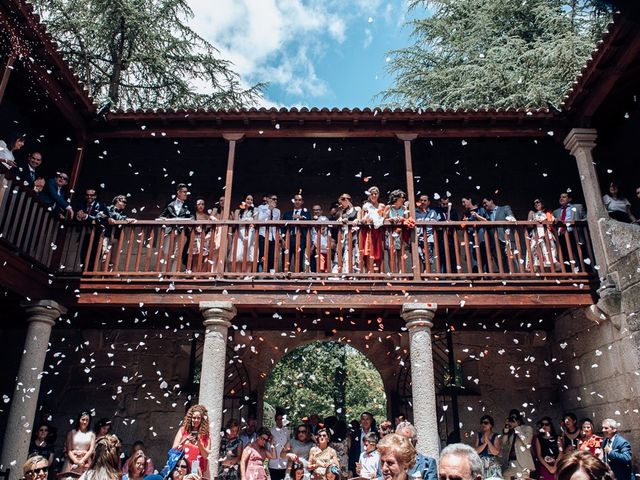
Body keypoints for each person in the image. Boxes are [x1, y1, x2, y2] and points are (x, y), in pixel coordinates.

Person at [481, 196, 518, 272]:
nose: (484, 205)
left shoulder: (504, 208)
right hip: (494, 241)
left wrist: (510, 219)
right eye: (483, 204)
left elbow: (511, 218)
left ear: (491, 201)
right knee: (499, 259)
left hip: (506, 238)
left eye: (485, 203)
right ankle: (505, 277)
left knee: (511, 258)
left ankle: (516, 276)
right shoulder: (486, 214)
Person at [172, 404, 210, 476]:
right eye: (194, 418)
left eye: (198, 418)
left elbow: (206, 456)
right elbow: (173, 450)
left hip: (196, 465)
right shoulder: (183, 430)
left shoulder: (205, 435)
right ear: (190, 418)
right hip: (182, 466)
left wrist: (199, 444)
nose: (196, 420)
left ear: (202, 419)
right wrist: (185, 440)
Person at [553, 192, 587, 268]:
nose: (561, 199)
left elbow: (586, 218)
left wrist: (576, 223)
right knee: (565, 254)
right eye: (560, 197)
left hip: (575, 233)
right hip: (562, 234)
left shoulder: (578, 207)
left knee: (580, 253)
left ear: (569, 199)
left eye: (564, 197)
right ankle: (570, 273)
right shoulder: (556, 212)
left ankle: (585, 271)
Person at [525, 199, 558, 272]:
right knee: (537, 253)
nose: (536, 204)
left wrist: (554, 220)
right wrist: (534, 222)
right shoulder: (532, 212)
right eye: (534, 203)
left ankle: (550, 275)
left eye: (538, 202)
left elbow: (553, 221)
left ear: (543, 203)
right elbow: (528, 225)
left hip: (546, 234)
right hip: (536, 234)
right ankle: (542, 275)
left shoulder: (548, 213)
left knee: (549, 252)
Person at [500, 410, 534, 479]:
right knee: (505, 475)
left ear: (519, 420)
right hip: (511, 463)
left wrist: (517, 427)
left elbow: (527, 442)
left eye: (513, 420)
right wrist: (506, 429)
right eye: (511, 420)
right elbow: (504, 443)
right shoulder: (511, 432)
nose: (512, 422)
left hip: (523, 464)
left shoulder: (527, 428)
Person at [282, 193, 311, 272]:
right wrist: (283, 239)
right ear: (293, 201)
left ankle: (298, 275)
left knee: (299, 259)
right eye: (296, 200)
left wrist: (301, 218)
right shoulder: (287, 214)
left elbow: (309, 225)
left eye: (299, 200)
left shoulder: (306, 214)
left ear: (302, 202)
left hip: (301, 239)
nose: (297, 202)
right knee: (286, 258)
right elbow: (283, 228)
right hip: (289, 238)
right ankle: (285, 275)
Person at [62, 410, 96, 476]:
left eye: (87, 420)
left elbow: (91, 450)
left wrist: (82, 461)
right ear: (79, 420)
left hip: (85, 461)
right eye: (83, 419)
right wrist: (76, 461)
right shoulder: (71, 433)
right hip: (72, 460)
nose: (85, 422)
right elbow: (68, 450)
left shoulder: (92, 434)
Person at [333, 193, 360, 274]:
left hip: (355, 234)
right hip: (345, 234)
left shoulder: (357, 209)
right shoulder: (343, 211)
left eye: (342, 202)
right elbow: (339, 220)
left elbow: (359, 218)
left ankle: (355, 274)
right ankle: (346, 272)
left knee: (355, 252)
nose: (341, 204)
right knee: (345, 253)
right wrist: (341, 219)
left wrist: (356, 220)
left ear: (347, 200)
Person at [359, 186, 385, 273]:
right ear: (369, 195)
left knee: (379, 252)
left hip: (379, 231)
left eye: (376, 194)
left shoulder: (381, 206)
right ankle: (368, 272)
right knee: (368, 251)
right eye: (372, 194)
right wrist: (366, 220)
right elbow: (362, 219)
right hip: (368, 231)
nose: (374, 195)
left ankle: (378, 274)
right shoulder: (366, 206)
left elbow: (384, 217)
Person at [384, 189, 409, 273]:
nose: (403, 199)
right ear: (396, 198)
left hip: (401, 233)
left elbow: (407, 220)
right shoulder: (389, 207)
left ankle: (401, 274)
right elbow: (383, 220)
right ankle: (393, 274)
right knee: (391, 254)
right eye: (402, 197)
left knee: (401, 254)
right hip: (390, 233)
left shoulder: (404, 207)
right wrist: (391, 219)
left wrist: (402, 219)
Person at [256, 193, 281, 273]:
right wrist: (269, 210)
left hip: (273, 236)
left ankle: (270, 274)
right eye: (273, 199)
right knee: (262, 255)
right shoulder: (261, 207)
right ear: (268, 199)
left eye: (276, 199)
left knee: (272, 257)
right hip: (263, 234)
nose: (275, 201)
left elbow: (277, 224)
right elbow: (260, 219)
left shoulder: (277, 211)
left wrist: (279, 236)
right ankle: (261, 274)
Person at [461, 196, 487, 273]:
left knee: (483, 255)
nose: (463, 204)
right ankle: (475, 276)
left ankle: (485, 276)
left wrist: (477, 216)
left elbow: (487, 221)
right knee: (472, 256)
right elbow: (461, 227)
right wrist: (464, 222)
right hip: (470, 239)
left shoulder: (481, 210)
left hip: (481, 237)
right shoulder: (465, 213)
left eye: (464, 201)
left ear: (470, 200)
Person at [232, 195, 256, 269]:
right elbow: (236, 222)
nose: (249, 201)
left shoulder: (254, 211)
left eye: (251, 200)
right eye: (248, 199)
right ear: (244, 200)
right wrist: (245, 221)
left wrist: (248, 222)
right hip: (240, 233)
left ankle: (247, 274)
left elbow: (255, 223)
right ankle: (238, 274)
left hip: (251, 232)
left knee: (250, 253)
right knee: (239, 253)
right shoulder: (238, 211)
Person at [416, 194, 439, 272]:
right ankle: (419, 274)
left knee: (428, 257)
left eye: (425, 200)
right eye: (421, 200)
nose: (422, 202)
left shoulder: (432, 212)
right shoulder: (415, 212)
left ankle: (426, 274)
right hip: (417, 238)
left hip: (429, 238)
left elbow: (435, 222)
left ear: (428, 202)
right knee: (419, 256)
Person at [269, 410, 291, 480]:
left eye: (281, 419)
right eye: (278, 419)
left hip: (284, 462)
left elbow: (289, 444)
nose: (279, 421)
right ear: (275, 420)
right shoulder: (271, 431)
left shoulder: (287, 431)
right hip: (273, 462)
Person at [310, 205, 331, 272]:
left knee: (322, 263)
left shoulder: (324, 218)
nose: (316, 211)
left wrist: (315, 222)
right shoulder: (313, 219)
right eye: (314, 210)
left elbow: (322, 230)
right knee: (313, 262)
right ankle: (314, 278)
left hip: (322, 244)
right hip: (314, 243)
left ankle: (322, 278)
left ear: (321, 211)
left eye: (318, 210)